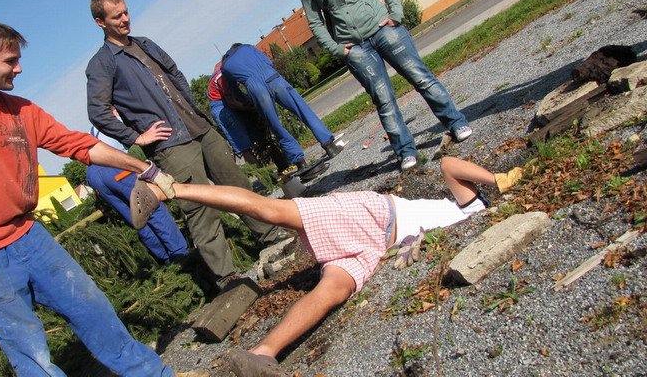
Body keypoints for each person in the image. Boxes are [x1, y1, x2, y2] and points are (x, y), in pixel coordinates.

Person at [0, 22, 183, 376]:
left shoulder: (21, 111)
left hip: (30, 237)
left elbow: (80, 145)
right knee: (32, 356)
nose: (19, 68)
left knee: (95, 312)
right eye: (10, 61)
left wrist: (144, 168)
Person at [130, 157, 523, 376]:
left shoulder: (474, 218)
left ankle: (262, 353)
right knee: (273, 210)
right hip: (371, 215)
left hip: (376, 249)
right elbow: (450, 164)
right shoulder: (470, 205)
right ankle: (168, 188)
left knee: (331, 292)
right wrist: (496, 181)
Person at [85, 0, 287, 290]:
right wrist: (136, 137)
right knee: (199, 208)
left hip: (198, 126)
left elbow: (175, 73)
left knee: (236, 183)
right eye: (117, 17)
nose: (126, 19)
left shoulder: (145, 44)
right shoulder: (102, 63)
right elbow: (97, 110)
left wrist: (190, 106)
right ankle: (227, 278)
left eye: (126, 11)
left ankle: (271, 236)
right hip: (170, 144)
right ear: (101, 22)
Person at [296, 0, 472, 171]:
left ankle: (456, 123)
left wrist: (396, 16)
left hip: (384, 30)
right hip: (354, 48)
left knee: (421, 78)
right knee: (383, 100)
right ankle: (405, 151)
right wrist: (337, 50)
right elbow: (315, 22)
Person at [220, 43, 342, 170]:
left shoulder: (225, 66)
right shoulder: (247, 47)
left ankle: (300, 163)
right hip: (272, 77)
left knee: (276, 126)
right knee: (302, 110)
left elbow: (235, 92)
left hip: (255, 89)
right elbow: (268, 62)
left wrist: (250, 101)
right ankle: (329, 146)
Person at [86, 163, 188, 264]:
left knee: (134, 218)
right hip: (110, 165)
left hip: (92, 177)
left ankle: (165, 258)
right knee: (151, 205)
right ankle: (180, 254)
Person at [207, 63, 259, 165]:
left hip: (226, 102)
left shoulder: (227, 73)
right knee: (243, 145)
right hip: (222, 108)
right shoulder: (222, 77)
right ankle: (261, 173)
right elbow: (233, 103)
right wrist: (251, 109)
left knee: (249, 139)